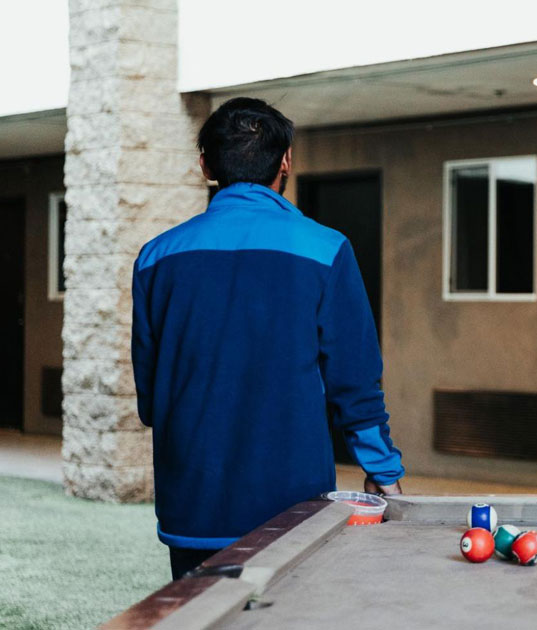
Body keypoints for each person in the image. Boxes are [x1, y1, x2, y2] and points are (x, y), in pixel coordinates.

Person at [131, 98, 404, 581]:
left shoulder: (156, 257)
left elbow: (152, 398)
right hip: (292, 508)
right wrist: (382, 471)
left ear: (205, 166)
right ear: (286, 162)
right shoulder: (327, 249)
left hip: (193, 500)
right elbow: (355, 384)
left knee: (202, 612)